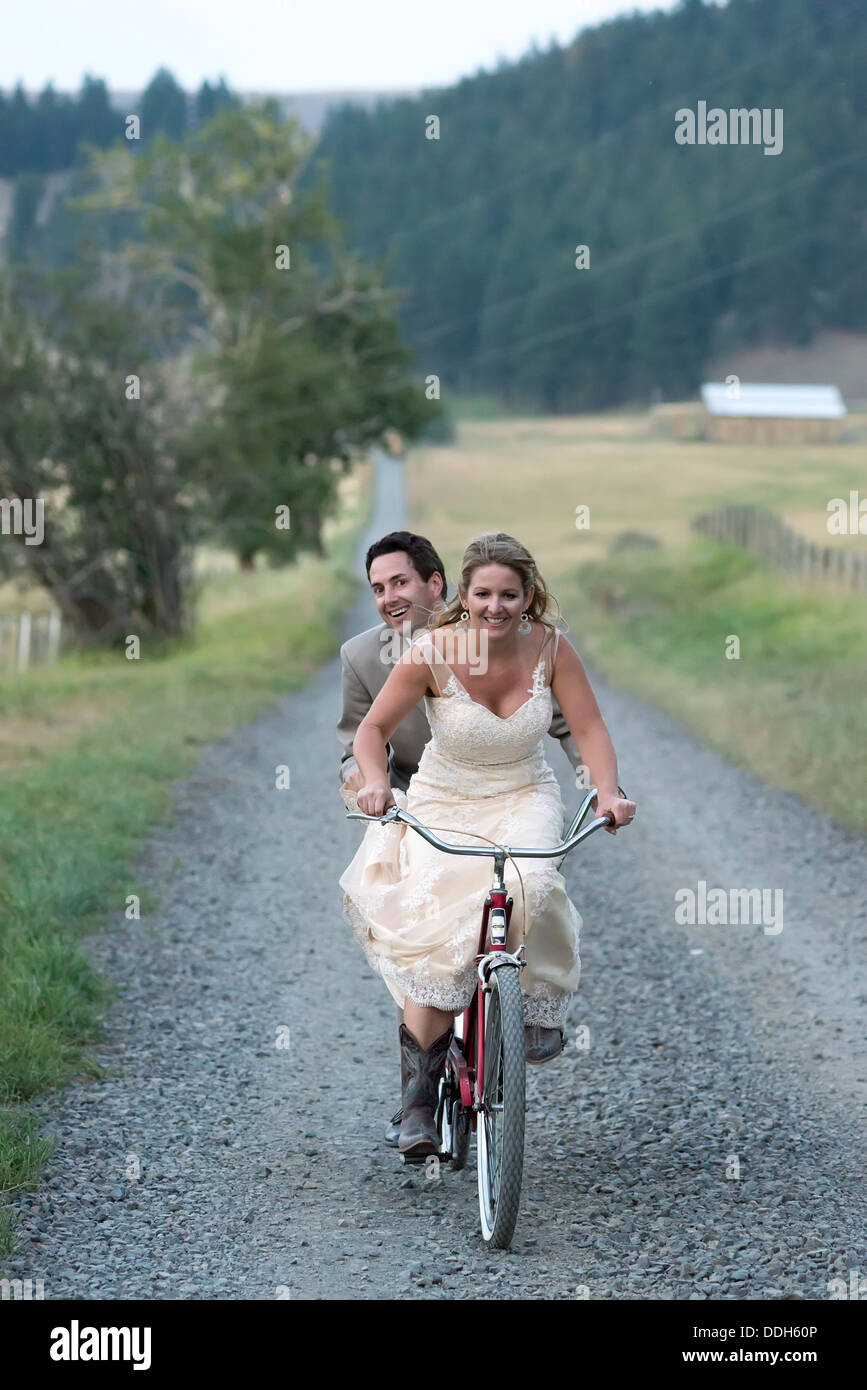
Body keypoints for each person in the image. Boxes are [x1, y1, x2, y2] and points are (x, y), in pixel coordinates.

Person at [339, 532, 635, 1159]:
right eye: (484, 594)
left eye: (509, 594)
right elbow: (371, 732)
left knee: (531, 882)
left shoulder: (551, 648)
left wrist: (608, 792)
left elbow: (588, 727)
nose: (495, 607)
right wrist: (371, 782)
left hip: (524, 793)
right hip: (445, 798)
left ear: (530, 596)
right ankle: (418, 1100)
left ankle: (525, 1006)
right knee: (438, 932)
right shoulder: (432, 649)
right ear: (463, 596)